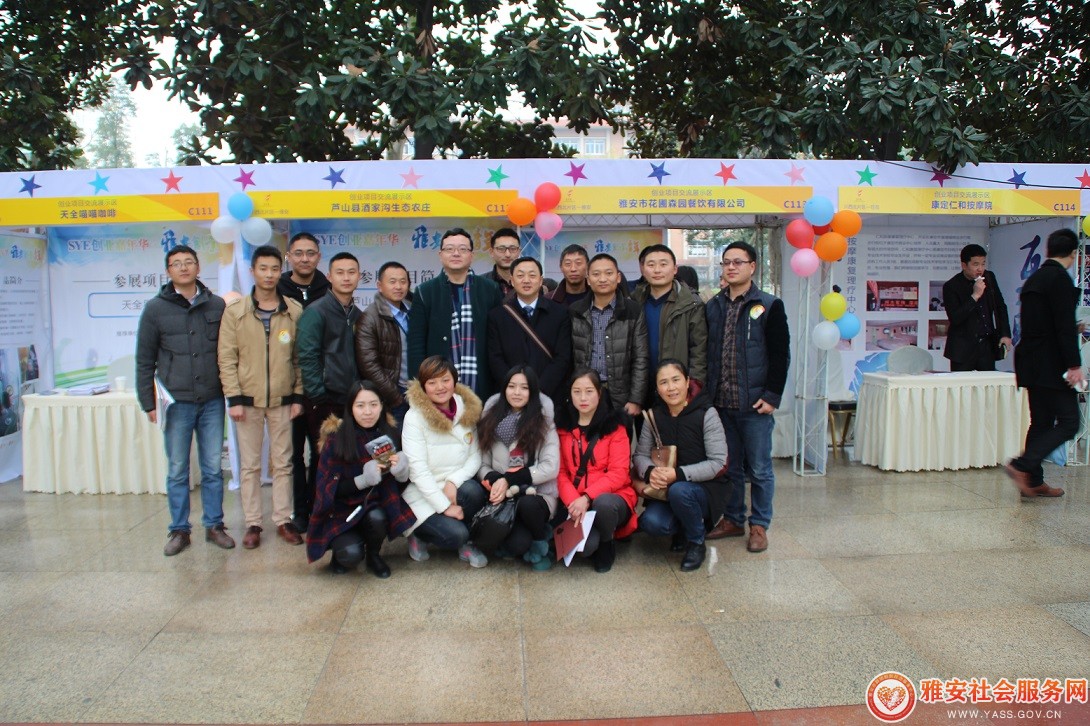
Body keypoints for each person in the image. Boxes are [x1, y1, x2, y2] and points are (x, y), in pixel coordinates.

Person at [136, 245, 235, 556]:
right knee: (178, 468)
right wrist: (148, 403)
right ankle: (179, 530)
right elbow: (144, 360)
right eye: (176, 264)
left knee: (212, 468)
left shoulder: (216, 305)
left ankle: (214, 525)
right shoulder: (155, 309)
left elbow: (229, 351)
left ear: (198, 266)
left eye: (188, 262)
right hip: (176, 402)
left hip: (212, 400)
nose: (183, 268)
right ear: (168, 271)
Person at [218, 245, 305, 548]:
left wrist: (298, 396)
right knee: (250, 466)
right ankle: (253, 523)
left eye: (274, 269)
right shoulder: (235, 312)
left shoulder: (293, 311)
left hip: (283, 400)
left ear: (281, 271)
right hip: (247, 401)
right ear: (252, 271)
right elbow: (227, 358)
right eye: (263, 269)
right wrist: (234, 398)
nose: (269, 275)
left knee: (283, 463)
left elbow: (299, 358)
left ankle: (282, 519)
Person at [704, 241, 789, 553]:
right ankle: (733, 518)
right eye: (726, 262)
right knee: (731, 468)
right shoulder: (713, 306)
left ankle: (759, 525)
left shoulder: (769, 305)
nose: (731, 267)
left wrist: (772, 396)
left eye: (738, 262)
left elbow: (780, 355)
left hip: (754, 405)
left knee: (760, 468)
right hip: (721, 404)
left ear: (752, 266)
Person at [306, 380, 417, 576]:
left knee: (377, 517)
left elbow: (399, 487)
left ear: (381, 406)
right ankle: (342, 549)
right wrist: (363, 480)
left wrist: (401, 472)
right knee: (350, 554)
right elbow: (326, 490)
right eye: (360, 405)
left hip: (375, 507)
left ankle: (374, 555)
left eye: (373, 405)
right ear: (350, 408)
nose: (368, 412)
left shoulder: (390, 434)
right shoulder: (336, 439)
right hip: (342, 511)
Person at [1006, 228, 1085, 498]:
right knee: (1069, 422)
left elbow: (1045, 323)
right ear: (1073, 254)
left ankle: (1033, 481)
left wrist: (1071, 328)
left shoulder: (1035, 278)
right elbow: (1061, 326)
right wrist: (1074, 365)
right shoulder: (1060, 279)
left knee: (1040, 422)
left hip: (1030, 360)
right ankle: (1022, 465)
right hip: (1051, 363)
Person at [634, 360, 728, 572]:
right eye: (663, 382)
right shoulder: (653, 416)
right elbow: (640, 455)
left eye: (676, 380)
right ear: (657, 389)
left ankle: (696, 542)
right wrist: (650, 471)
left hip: (705, 489)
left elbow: (719, 463)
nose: (671, 387)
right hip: (667, 489)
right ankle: (683, 527)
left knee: (680, 491)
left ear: (687, 382)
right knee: (651, 523)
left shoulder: (707, 413)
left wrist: (678, 474)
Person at [401, 356, 490, 567]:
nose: (440, 387)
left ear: (454, 381)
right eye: (432, 382)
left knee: (474, 492)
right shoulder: (414, 417)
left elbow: (475, 455)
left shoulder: (465, 409)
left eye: (445, 380)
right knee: (456, 535)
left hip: (453, 486)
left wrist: (453, 481)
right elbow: (418, 471)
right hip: (424, 492)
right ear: (423, 387)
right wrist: (444, 506)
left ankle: (466, 541)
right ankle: (419, 534)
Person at [296, 252, 363, 528]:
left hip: (352, 399)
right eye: (340, 272)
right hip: (325, 400)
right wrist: (318, 395)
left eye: (351, 272)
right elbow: (307, 356)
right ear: (329, 276)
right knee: (323, 459)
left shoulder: (357, 314)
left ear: (359, 276)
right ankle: (317, 516)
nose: (346, 278)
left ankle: (342, 514)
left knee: (348, 458)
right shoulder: (317, 311)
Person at [476, 365, 560, 570]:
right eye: (512, 386)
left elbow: (551, 467)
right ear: (504, 389)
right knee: (517, 545)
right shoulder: (491, 421)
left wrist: (510, 479)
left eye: (524, 387)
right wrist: (495, 479)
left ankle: (540, 541)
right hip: (506, 499)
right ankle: (523, 536)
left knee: (528, 505)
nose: (517, 392)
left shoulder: (544, 422)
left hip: (537, 494)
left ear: (533, 391)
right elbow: (482, 464)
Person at [556, 368, 637, 573]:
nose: (583, 398)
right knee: (584, 549)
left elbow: (619, 473)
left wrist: (587, 497)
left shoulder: (615, 427)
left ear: (599, 393)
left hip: (611, 497)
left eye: (589, 391)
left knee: (604, 504)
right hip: (575, 499)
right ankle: (596, 537)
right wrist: (574, 501)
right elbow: (561, 472)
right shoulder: (562, 427)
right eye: (577, 391)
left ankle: (607, 542)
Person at [407, 228, 503, 399]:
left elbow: (498, 340)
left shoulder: (490, 289)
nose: (456, 253)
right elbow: (416, 344)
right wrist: (419, 387)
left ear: (471, 255)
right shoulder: (425, 291)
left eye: (463, 249)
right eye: (450, 249)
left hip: (482, 385)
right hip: (438, 388)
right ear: (440, 255)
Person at [278, 232, 331, 531]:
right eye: (298, 253)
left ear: (319, 257)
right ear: (288, 256)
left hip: (322, 388)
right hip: (288, 387)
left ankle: (318, 509)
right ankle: (299, 512)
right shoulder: (277, 289)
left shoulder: (329, 289)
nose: (305, 259)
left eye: (310, 253)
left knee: (321, 452)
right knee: (293, 455)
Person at [570, 253, 649, 417]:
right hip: (584, 393)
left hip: (621, 395)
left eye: (608, 273)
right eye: (596, 274)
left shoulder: (633, 310)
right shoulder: (576, 311)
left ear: (618, 277)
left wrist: (636, 399)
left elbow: (641, 357)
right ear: (588, 279)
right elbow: (569, 356)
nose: (602, 279)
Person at [487, 256, 573, 401]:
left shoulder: (560, 313)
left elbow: (562, 358)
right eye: (520, 276)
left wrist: (538, 390)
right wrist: (515, 389)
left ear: (540, 280)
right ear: (512, 281)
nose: (526, 280)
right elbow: (495, 358)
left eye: (532, 276)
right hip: (511, 399)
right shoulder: (497, 316)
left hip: (549, 397)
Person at [631, 244, 708, 394]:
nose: (657, 270)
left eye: (663, 264)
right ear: (643, 269)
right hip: (640, 386)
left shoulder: (691, 304)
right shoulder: (634, 301)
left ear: (675, 269)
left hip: (675, 388)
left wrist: (693, 388)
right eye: (651, 265)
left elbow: (699, 352)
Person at [355, 261, 412, 424]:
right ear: (379, 285)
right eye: (392, 282)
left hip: (417, 392)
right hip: (394, 395)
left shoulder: (413, 311)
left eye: (403, 281)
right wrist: (395, 397)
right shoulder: (369, 318)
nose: (398, 286)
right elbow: (369, 365)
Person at [942, 243, 1013, 371]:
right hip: (963, 348)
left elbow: (1000, 307)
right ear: (964, 265)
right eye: (975, 264)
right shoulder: (951, 286)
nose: (980, 269)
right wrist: (975, 296)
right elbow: (955, 318)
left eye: (983, 264)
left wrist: (1005, 334)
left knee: (988, 381)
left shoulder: (989, 277)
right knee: (962, 383)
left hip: (986, 344)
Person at [482, 227, 521, 298]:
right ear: (491, 252)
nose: (507, 254)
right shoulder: (480, 283)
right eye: (501, 249)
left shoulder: (529, 282)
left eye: (512, 249)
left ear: (519, 252)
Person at [549, 244, 591, 308]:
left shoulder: (598, 298)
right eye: (568, 264)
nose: (573, 269)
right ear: (561, 267)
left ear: (588, 266)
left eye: (578, 263)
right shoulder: (549, 300)